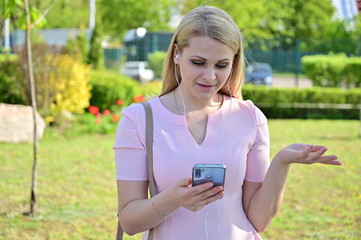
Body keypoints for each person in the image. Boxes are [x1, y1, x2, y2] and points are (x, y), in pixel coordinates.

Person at [113, 6, 341, 240]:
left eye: (221, 65)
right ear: (176, 54)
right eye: (198, 62)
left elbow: (258, 220)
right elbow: (129, 222)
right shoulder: (138, 120)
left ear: (234, 62)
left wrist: (281, 162)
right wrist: (172, 200)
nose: (210, 76)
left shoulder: (250, 118)